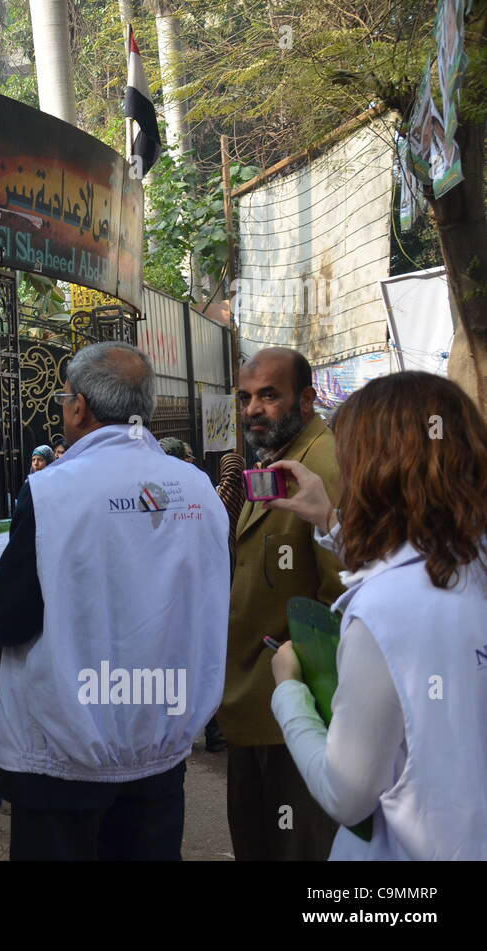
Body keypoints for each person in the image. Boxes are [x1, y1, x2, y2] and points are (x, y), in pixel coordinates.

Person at [0, 341, 229, 860]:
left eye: (64, 399)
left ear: (79, 406)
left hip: (62, 762)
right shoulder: (198, 491)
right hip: (158, 754)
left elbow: (9, 619)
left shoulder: (50, 493)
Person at [263, 371, 487, 860]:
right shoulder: (473, 563)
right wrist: (329, 521)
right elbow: (425, 565)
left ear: (372, 470)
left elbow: (347, 793)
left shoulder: (384, 611)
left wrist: (289, 694)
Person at [223, 346, 342, 860]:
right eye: (246, 397)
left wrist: (295, 688)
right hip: (258, 707)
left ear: (308, 398)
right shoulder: (276, 459)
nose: (253, 409)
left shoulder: (325, 466)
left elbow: (340, 596)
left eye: (269, 395)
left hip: (298, 714)